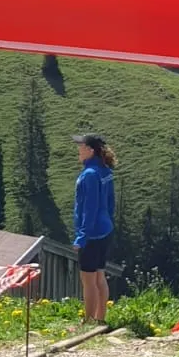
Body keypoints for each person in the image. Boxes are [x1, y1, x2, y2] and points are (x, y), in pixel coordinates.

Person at [73, 132, 116, 324]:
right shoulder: (105, 170)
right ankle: (100, 318)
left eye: (81, 146)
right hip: (105, 229)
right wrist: (108, 220)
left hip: (91, 233)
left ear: (90, 150)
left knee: (88, 280)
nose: (78, 150)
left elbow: (89, 208)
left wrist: (82, 237)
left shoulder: (89, 174)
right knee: (100, 275)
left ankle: (88, 321)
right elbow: (110, 201)